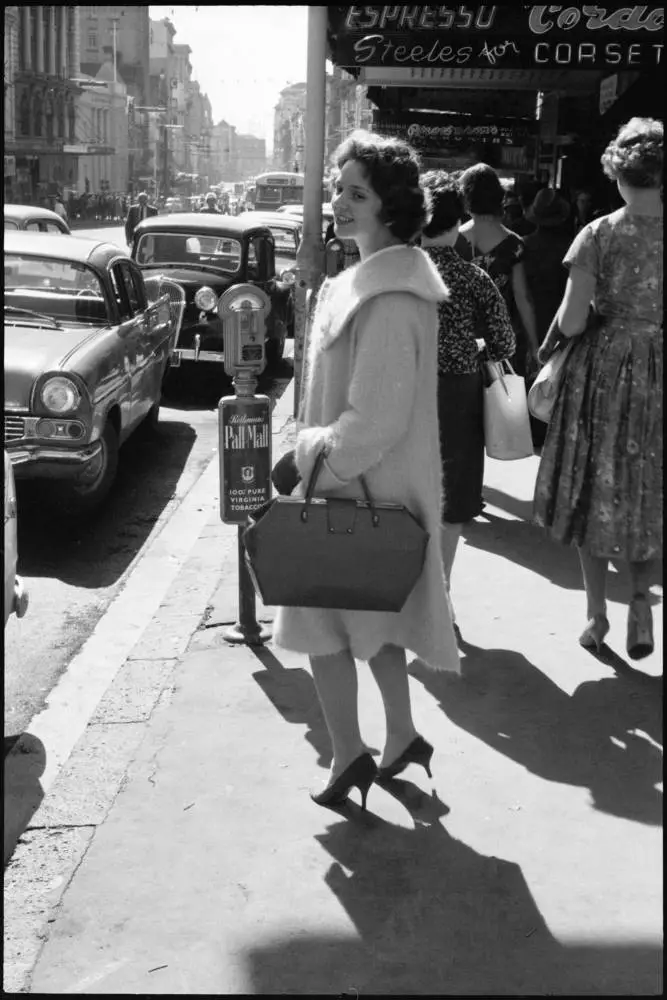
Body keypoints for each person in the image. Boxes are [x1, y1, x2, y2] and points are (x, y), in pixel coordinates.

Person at [272, 131, 460, 811]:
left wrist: (309, 461)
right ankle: (401, 735)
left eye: (357, 193)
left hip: (353, 490)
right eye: (337, 189)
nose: (340, 203)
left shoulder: (388, 294)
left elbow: (375, 419)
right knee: (370, 621)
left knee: (321, 625)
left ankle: (348, 753)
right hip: (369, 490)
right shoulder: (370, 281)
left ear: (391, 205)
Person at [533, 117, 663, 660]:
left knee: (595, 487)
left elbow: (573, 321)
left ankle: (596, 616)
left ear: (617, 175)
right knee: (648, 486)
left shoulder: (599, 234)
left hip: (605, 373)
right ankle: (640, 598)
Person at [421, 170, 516, 637]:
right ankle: (440, 591)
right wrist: (473, 345)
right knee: (454, 499)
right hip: (458, 394)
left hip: (405, 392)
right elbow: (503, 343)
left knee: (405, 491)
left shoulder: (398, 274)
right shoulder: (473, 277)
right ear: (458, 221)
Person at [457, 163, 540, 379]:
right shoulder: (514, 244)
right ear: (499, 198)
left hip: (460, 342)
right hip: (502, 344)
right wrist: (534, 346)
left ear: (466, 198)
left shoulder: (454, 240)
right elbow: (523, 299)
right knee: (501, 406)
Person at [522, 188, 574, 447]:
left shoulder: (524, 245)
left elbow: (522, 294)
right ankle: (550, 430)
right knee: (558, 376)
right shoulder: (571, 247)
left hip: (530, 318)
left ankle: (531, 429)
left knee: (530, 374)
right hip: (563, 319)